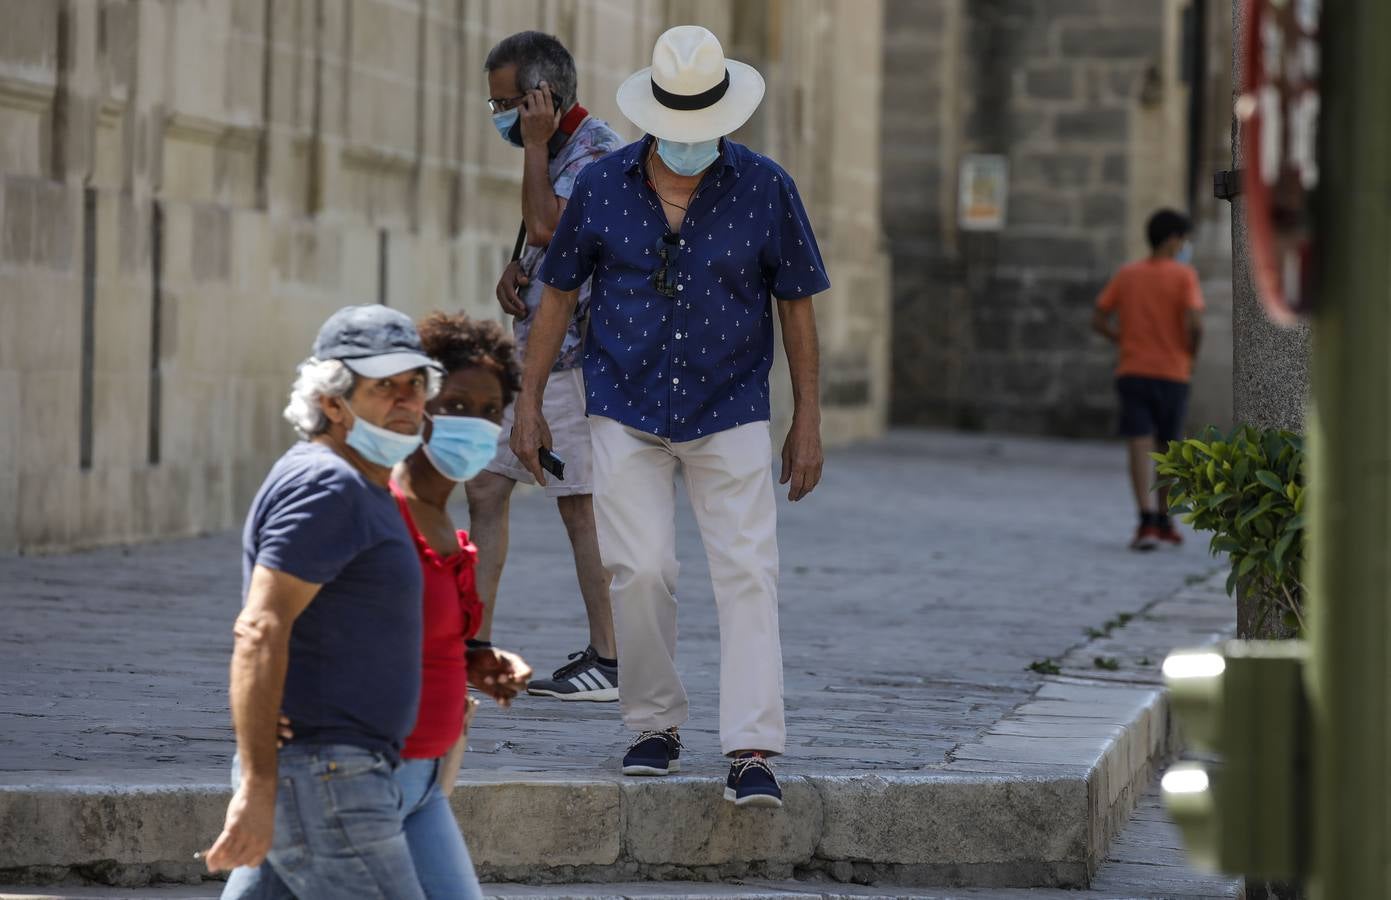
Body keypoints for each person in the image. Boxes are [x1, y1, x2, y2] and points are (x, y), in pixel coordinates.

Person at [509, 25, 830, 809]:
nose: (691, 144)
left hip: (730, 407)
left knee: (748, 572)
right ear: (652, 114)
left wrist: (808, 420)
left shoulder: (766, 187)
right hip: (624, 404)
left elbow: (796, 309)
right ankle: (653, 725)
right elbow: (556, 293)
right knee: (642, 568)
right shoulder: (603, 185)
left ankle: (752, 747)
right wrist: (529, 401)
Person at [275, 312, 535, 899]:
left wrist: (476, 662)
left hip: (426, 782)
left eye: (491, 411)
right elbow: (279, 625)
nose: (476, 424)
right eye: (457, 406)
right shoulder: (372, 505)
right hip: (356, 775)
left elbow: (408, 634)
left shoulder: (451, 529)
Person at [208, 304, 443, 898]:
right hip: (327, 777)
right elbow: (260, 629)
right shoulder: (327, 484)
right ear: (333, 403)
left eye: (415, 384)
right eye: (384, 386)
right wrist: (259, 784)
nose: (408, 401)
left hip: (331, 772)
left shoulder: (358, 481)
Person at [469, 30, 627, 702]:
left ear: (544, 97)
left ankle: (610, 658)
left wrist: (532, 146)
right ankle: (471, 646)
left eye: (507, 102)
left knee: (579, 508)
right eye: (494, 104)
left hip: (574, 363)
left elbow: (547, 226)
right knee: (483, 486)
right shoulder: (557, 151)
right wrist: (516, 272)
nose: (501, 116)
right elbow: (538, 242)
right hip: (533, 357)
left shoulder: (597, 154)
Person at [1091, 208, 1205, 551]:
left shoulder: (1128, 275)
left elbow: (1098, 317)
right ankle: (1165, 519)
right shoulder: (1184, 276)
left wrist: (1120, 339)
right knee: (1168, 449)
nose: (1185, 245)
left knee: (1138, 444)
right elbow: (1195, 323)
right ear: (1173, 239)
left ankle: (1144, 521)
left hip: (1133, 370)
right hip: (1173, 371)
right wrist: (1191, 354)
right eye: (1184, 239)